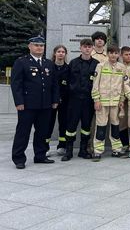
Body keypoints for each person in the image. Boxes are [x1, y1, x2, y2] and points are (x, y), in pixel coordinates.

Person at [11, 36, 59, 169]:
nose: (39, 48)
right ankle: (19, 158)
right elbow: (16, 85)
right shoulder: (22, 62)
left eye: (42, 46)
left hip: (45, 105)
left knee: (42, 132)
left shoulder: (49, 63)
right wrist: (19, 102)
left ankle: (40, 155)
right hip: (27, 105)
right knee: (23, 132)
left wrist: (55, 100)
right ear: (30, 47)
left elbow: (54, 84)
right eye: (36, 45)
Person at [62, 39, 99, 161]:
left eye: (89, 47)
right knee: (71, 126)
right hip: (74, 100)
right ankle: (68, 151)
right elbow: (66, 81)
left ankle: (83, 150)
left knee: (86, 126)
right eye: (85, 46)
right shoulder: (73, 63)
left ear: (92, 48)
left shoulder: (97, 64)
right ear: (80, 48)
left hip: (89, 100)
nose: (87, 49)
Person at [90, 45, 125, 161]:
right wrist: (96, 100)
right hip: (102, 103)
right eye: (111, 53)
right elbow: (95, 84)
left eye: (115, 53)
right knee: (101, 126)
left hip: (115, 103)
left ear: (118, 54)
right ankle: (98, 151)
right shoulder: (100, 66)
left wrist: (121, 101)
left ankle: (117, 150)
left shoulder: (122, 67)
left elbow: (123, 86)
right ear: (108, 54)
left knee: (115, 126)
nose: (113, 55)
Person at [46, 45, 69, 156]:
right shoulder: (48, 67)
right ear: (55, 53)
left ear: (65, 54)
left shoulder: (68, 68)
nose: (61, 53)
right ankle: (45, 147)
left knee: (63, 123)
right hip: (50, 101)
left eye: (63, 52)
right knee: (48, 123)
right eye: (58, 51)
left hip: (64, 101)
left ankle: (62, 146)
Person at [118, 46, 130, 152]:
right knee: (122, 123)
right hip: (121, 99)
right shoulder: (119, 66)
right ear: (121, 55)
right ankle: (124, 144)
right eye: (126, 54)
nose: (128, 57)